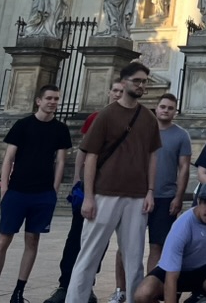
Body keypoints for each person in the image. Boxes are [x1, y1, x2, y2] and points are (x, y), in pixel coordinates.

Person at [65, 63, 162, 303]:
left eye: (144, 81)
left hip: (137, 196)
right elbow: (91, 157)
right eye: (137, 81)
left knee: (134, 259)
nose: (142, 85)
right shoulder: (106, 115)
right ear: (124, 82)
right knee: (88, 256)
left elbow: (152, 157)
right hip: (104, 194)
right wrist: (88, 196)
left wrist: (150, 190)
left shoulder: (148, 118)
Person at [0, 85, 73, 303]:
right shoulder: (23, 125)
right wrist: (4, 187)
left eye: (56, 99)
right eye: (49, 98)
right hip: (17, 190)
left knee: (33, 240)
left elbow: (61, 161)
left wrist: (54, 190)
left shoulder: (60, 129)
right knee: (3, 239)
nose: (53, 102)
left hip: (43, 193)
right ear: (38, 101)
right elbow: (9, 158)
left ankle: (19, 291)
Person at [45, 82, 125, 303]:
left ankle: (87, 285)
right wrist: (77, 179)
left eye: (121, 91)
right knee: (76, 236)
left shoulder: (129, 121)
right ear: (109, 92)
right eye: (115, 90)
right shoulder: (95, 118)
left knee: (100, 241)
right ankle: (65, 284)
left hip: (111, 189)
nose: (118, 94)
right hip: (89, 187)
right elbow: (84, 150)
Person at [132, 180, 206, 303]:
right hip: (175, 271)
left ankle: (201, 298)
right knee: (142, 294)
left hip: (204, 269)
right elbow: (171, 277)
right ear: (198, 201)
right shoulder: (182, 226)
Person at [146, 94, 192, 273]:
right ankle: (123, 286)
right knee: (127, 246)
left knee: (157, 245)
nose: (166, 110)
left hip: (165, 197)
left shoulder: (181, 135)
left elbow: (184, 168)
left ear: (175, 112)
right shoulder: (143, 131)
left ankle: (150, 283)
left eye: (170, 108)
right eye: (163, 107)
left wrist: (178, 197)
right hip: (139, 194)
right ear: (156, 108)